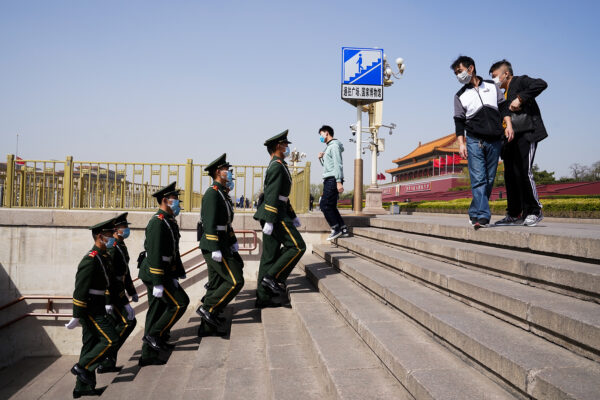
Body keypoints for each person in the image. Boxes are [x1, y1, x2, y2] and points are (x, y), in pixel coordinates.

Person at [451, 55, 514, 229]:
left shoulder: (492, 86)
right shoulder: (460, 95)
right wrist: (461, 143)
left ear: (471, 69)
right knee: (478, 179)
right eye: (456, 73)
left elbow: (503, 107)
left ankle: (474, 211)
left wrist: (508, 125)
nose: (458, 75)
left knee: (489, 179)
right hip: (474, 139)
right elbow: (459, 121)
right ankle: (483, 216)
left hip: (495, 139)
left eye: (460, 71)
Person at [65, 218, 120, 398]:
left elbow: (109, 283)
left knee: (89, 345)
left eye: (112, 233)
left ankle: (82, 388)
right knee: (111, 340)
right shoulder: (90, 259)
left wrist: (111, 302)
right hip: (91, 310)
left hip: (99, 306)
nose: (113, 236)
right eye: (109, 234)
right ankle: (82, 367)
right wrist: (76, 314)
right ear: (99, 236)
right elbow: (80, 288)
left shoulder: (104, 256)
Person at [489, 59, 548, 227]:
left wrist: (521, 98)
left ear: (506, 73)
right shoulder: (499, 95)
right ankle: (514, 213)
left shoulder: (520, 81)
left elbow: (541, 84)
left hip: (525, 133)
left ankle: (535, 211)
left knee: (524, 171)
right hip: (508, 140)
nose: (494, 80)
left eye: (495, 76)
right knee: (510, 176)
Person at [138, 182, 190, 366]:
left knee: (156, 309)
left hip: (163, 272)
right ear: (165, 201)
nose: (178, 203)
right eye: (175, 200)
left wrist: (175, 273)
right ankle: (154, 335)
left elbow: (172, 252)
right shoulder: (158, 223)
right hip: (155, 272)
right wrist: (158, 282)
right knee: (180, 303)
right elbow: (155, 254)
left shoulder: (167, 220)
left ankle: (148, 354)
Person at [254, 130, 306, 308]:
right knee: (298, 246)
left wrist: (293, 215)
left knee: (269, 256)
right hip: (275, 214)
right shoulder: (277, 165)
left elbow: (283, 195)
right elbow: (271, 194)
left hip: (278, 211)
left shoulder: (279, 164)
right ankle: (272, 277)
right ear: (278, 146)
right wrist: (269, 219)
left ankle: (263, 296)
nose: (287, 147)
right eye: (285, 144)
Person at [196, 154, 244, 336]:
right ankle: (208, 308)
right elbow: (208, 223)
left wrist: (232, 242)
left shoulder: (221, 193)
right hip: (213, 245)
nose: (229, 173)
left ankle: (207, 327)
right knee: (235, 280)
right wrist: (215, 247)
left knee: (216, 283)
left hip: (222, 242)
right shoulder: (212, 194)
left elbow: (226, 223)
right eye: (226, 170)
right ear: (218, 172)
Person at [98, 212, 137, 373]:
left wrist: (131, 291)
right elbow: (107, 276)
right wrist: (107, 301)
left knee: (118, 325)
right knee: (127, 322)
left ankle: (108, 361)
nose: (126, 229)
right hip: (113, 295)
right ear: (116, 230)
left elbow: (124, 273)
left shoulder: (120, 246)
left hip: (118, 293)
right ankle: (106, 355)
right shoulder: (113, 249)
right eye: (124, 227)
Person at [317, 125, 349, 240]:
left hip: (332, 179)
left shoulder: (334, 146)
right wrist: (321, 158)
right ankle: (343, 228)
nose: (320, 137)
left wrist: (338, 181)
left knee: (324, 205)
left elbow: (338, 164)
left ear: (326, 133)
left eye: (321, 134)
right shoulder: (329, 147)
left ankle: (335, 228)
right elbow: (328, 167)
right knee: (331, 206)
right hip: (330, 178)